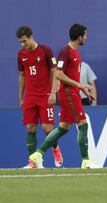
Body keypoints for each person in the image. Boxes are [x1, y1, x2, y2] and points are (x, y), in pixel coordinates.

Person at [29, 24, 96, 169]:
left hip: (72, 93)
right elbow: (58, 74)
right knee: (83, 124)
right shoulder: (66, 52)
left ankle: (38, 154)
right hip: (68, 93)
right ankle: (86, 161)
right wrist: (78, 86)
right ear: (79, 37)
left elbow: (69, 75)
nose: (86, 37)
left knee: (63, 127)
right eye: (85, 35)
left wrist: (82, 88)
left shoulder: (74, 52)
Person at [16, 26, 63, 169]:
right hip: (30, 96)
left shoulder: (45, 50)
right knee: (30, 127)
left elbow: (55, 71)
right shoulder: (21, 54)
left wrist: (53, 92)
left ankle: (55, 149)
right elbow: (22, 76)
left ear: (31, 36)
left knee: (47, 129)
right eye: (20, 42)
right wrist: (21, 97)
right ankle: (34, 162)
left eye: (24, 41)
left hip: (45, 96)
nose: (23, 44)